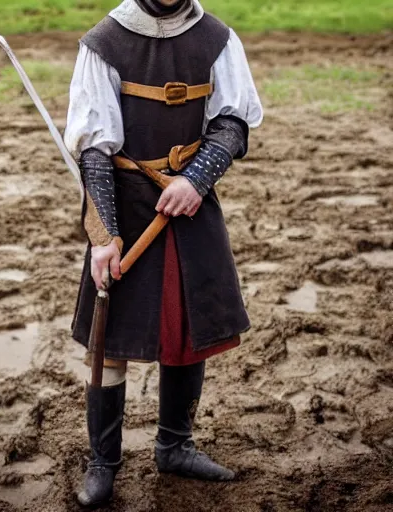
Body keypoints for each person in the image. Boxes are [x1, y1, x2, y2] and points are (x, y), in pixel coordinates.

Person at [64, 0, 263, 507]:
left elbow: (233, 123)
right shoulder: (104, 42)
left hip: (188, 204)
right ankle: (103, 461)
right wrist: (105, 234)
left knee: (187, 327)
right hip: (125, 208)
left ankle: (175, 446)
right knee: (110, 337)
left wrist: (197, 179)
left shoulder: (216, 38)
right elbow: (94, 148)